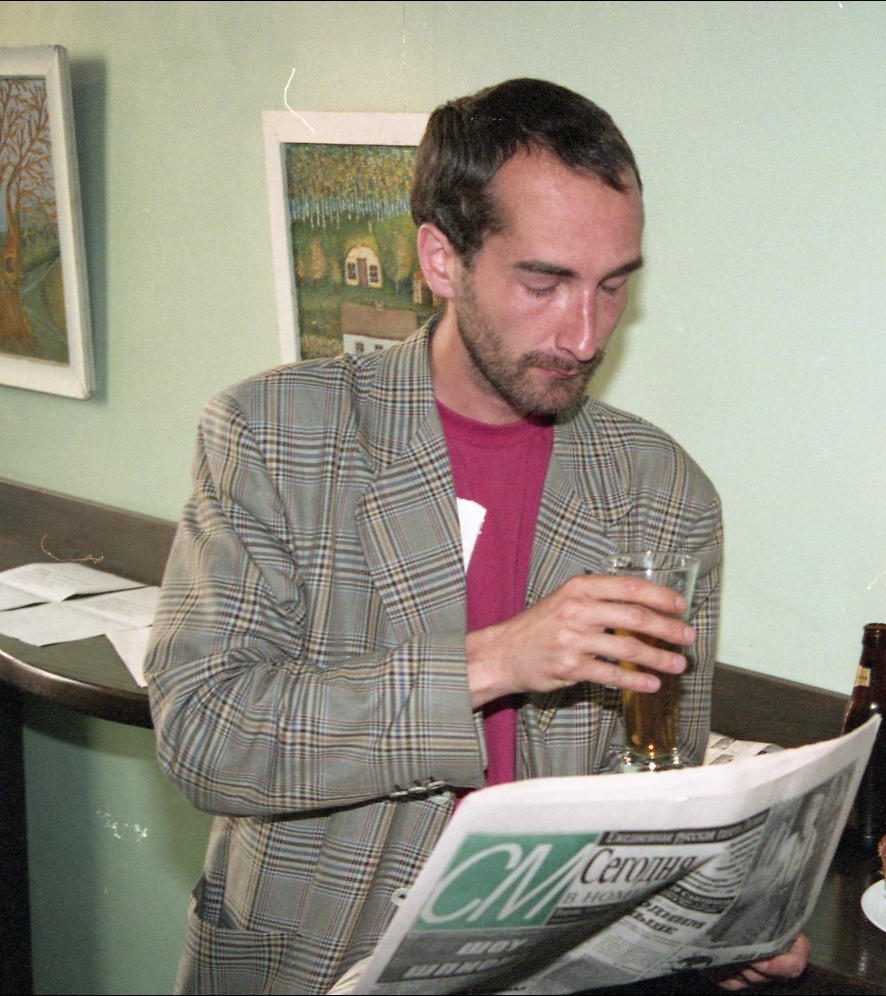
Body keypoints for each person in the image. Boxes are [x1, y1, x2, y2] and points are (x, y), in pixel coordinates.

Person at [146, 78, 805, 993]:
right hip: (311, 962)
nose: (585, 335)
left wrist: (713, 920)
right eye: (544, 282)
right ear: (441, 258)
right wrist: (495, 661)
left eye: (614, 285)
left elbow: (658, 787)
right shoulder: (273, 434)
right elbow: (206, 735)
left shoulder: (664, 492)